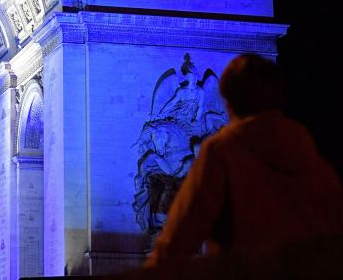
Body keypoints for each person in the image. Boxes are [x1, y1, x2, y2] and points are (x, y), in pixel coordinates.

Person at [146, 54, 343, 267]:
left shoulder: (221, 153)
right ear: (278, 99)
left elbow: (178, 240)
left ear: (230, 103)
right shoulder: (320, 167)